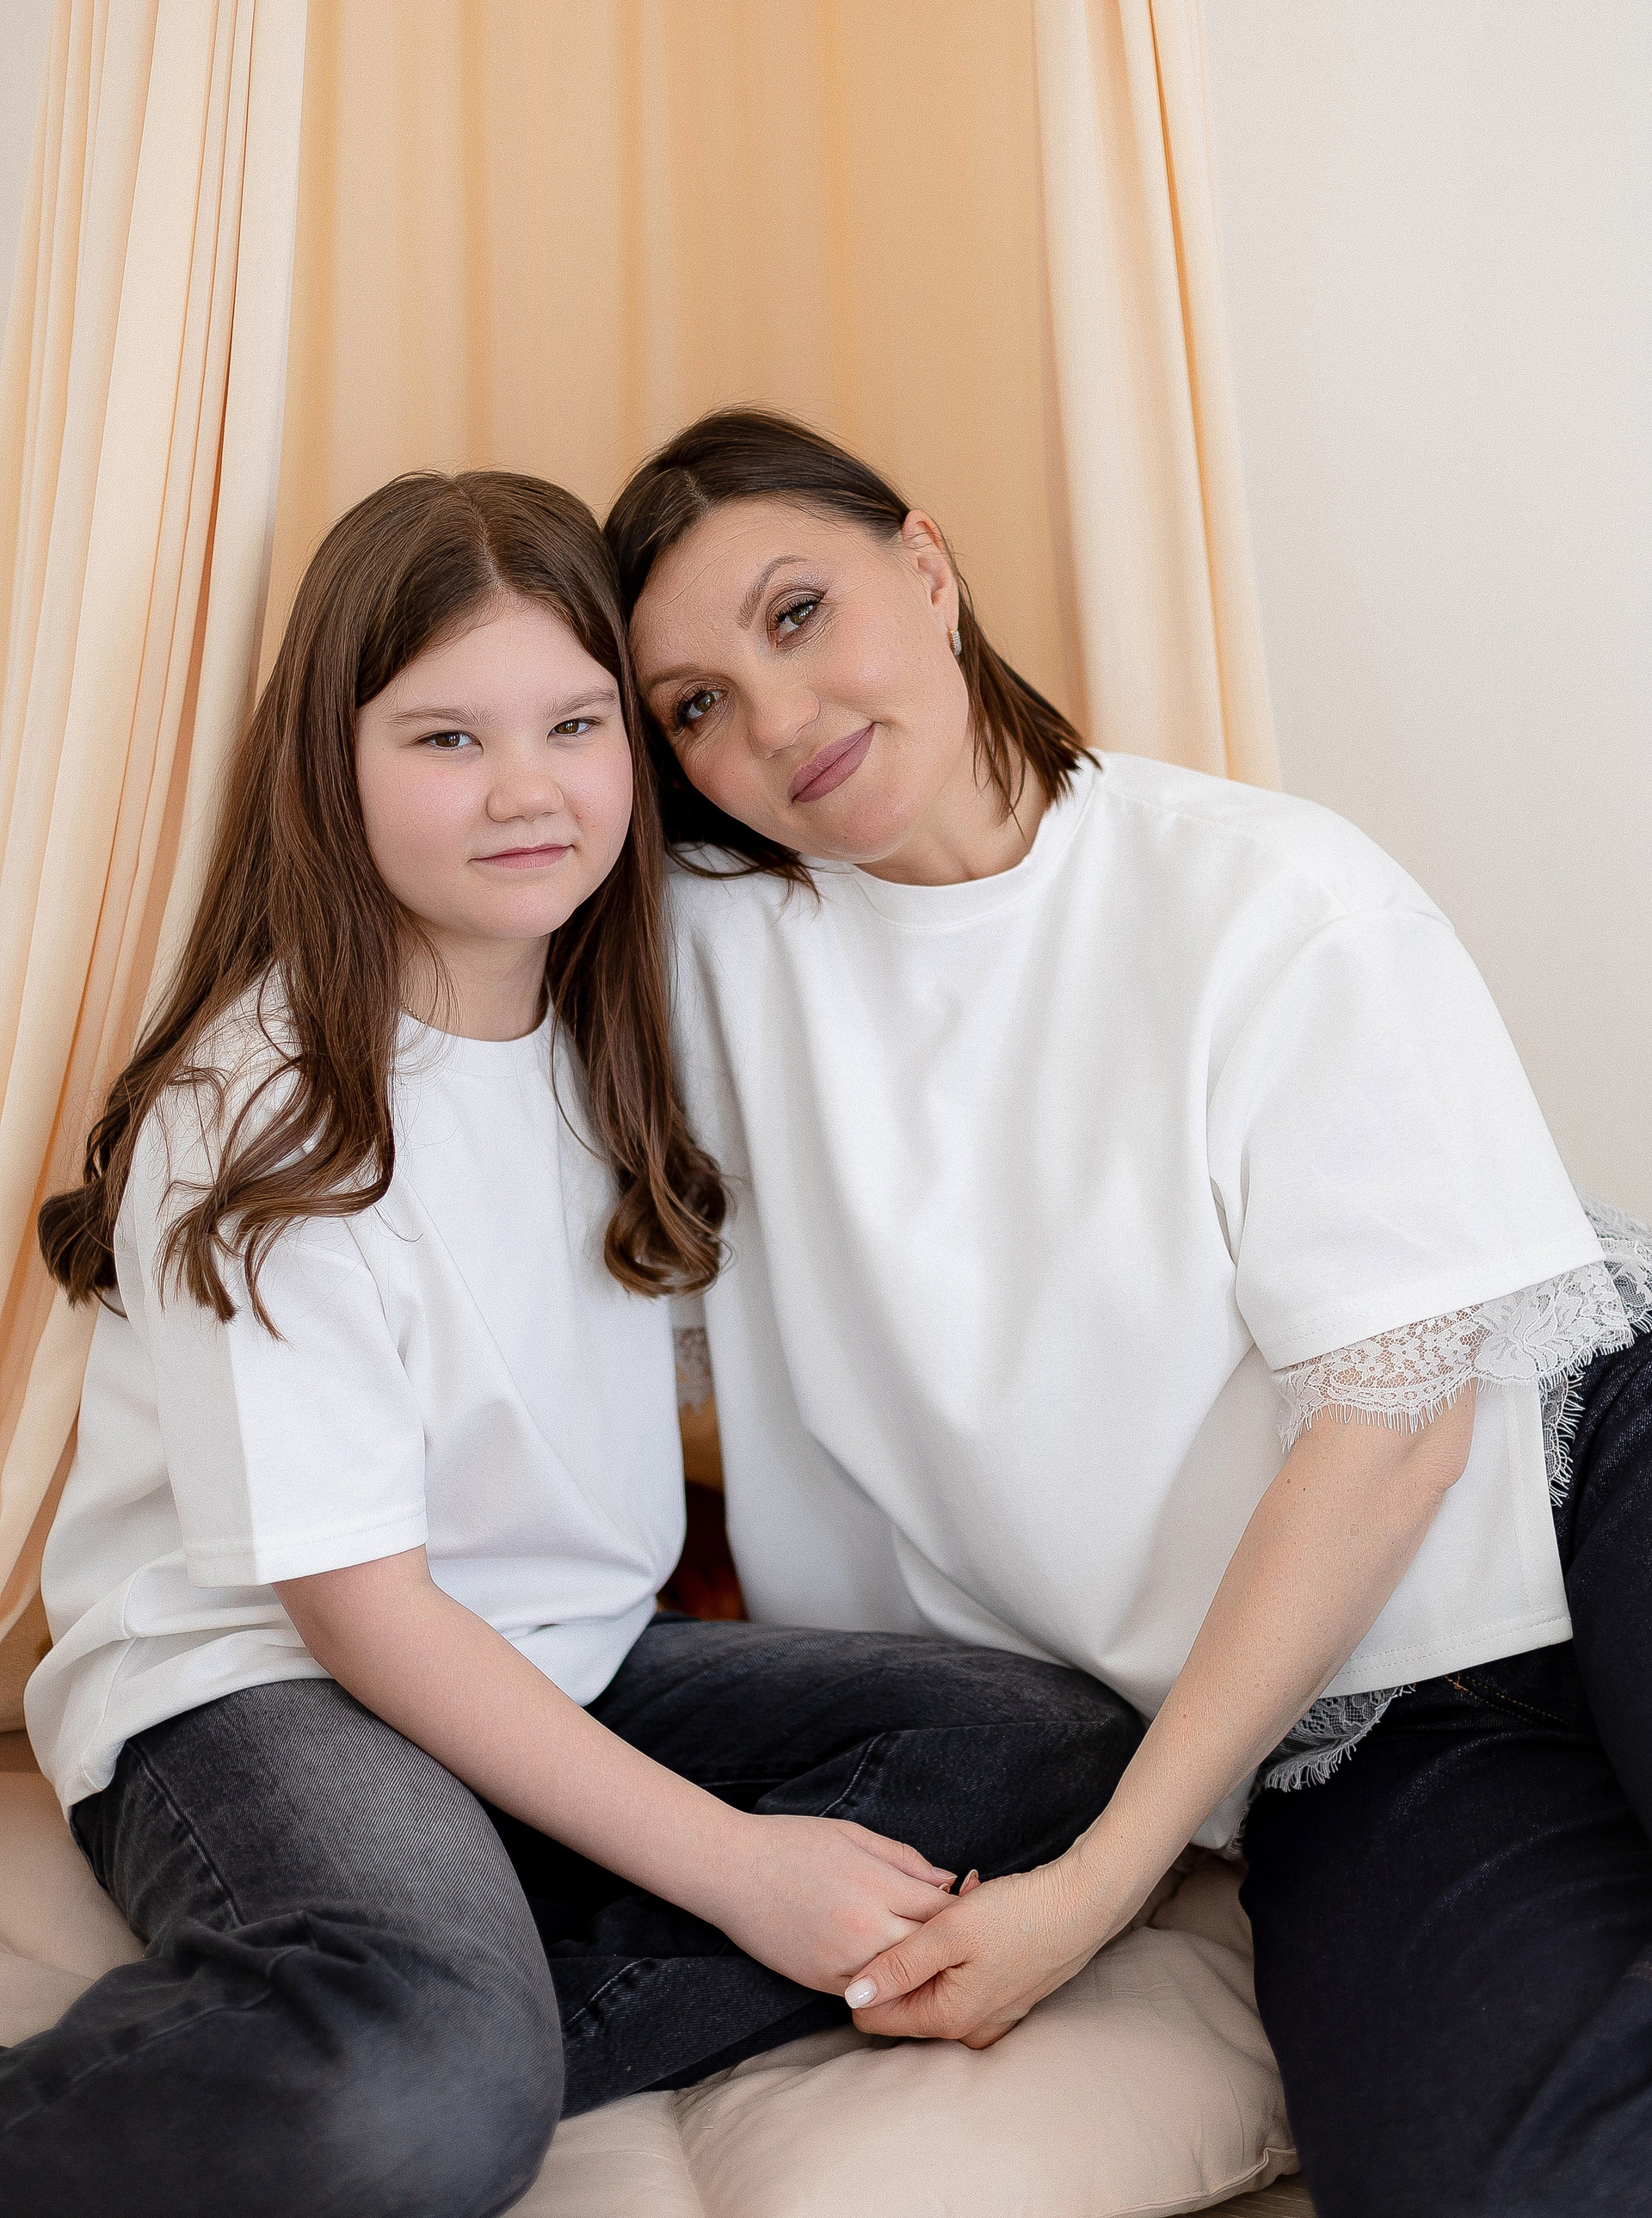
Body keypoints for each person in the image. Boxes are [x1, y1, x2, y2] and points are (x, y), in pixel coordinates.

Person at [3, 472, 1141, 2218]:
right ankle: (432, 2044)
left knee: (1051, 1743)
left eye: (577, 725)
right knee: (430, 2090)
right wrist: (738, 1870)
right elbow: (361, 1610)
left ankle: (456, 2008)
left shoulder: (618, 1024)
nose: (526, 789)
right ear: (329, 766)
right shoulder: (269, 1108)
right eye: (446, 738)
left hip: (570, 1660)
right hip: (267, 1688)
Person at [611, 408, 1652, 2218]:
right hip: (1373, 1712)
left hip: (1587, 1466)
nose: (772, 720)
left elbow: (1398, 1426)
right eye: (694, 703)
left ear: (928, 569)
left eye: (799, 613)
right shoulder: (698, 963)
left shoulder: (1266, 893)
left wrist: (1091, 1888)